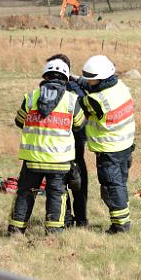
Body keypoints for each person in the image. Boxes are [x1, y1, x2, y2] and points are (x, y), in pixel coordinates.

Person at [9, 59, 85, 235]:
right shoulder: (72, 100)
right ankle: (54, 232)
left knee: (25, 193)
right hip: (59, 161)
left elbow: (19, 121)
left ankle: (15, 230)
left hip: (32, 160)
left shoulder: (30, 98)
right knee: (57, 195)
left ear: (45, 76)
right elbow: (80, 125)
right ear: (65, 78)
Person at [79, 55, 136, 234]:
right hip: (125, 145)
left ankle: (120, 225)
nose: (88, 80)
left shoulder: (96, 99)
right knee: (120, 183)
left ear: (101, 78)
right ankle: (123, 218)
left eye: (91, 77)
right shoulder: (121, 87)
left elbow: (82, 105)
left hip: (108, 150)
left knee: (111, 187)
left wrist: (77, 86)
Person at [46, 53, 89, 228]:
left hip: (67, 144)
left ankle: (70, 218)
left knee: (64, 182)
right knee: (76, 182)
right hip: (74, 143)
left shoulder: (70, 90)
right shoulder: (76, 87)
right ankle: (78, 218)